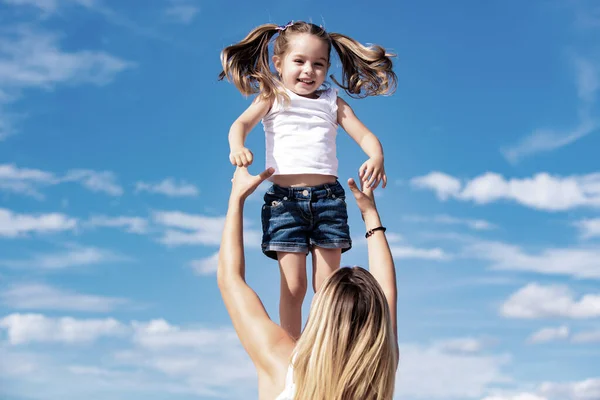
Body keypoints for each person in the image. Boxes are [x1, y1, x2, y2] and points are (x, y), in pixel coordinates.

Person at [219, 21, 397, 339]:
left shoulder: (331, 100)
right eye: (299, 62)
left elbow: (365, 134)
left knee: (327, 286)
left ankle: (320, 347)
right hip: (284, 203)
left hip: (328, 200)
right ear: (279, 63)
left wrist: (376, 155)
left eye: (318, 64)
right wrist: (238, 146)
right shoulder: (272, 95)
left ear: (327, 67)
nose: (308, 71)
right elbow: (240, 125)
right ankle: (292, 349)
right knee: (294, 285)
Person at [218, 166, 398, 400]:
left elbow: (230, 279)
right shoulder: (377, 377)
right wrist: (370, 214)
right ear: (376, 327)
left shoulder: (283, 367)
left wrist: (237, 198)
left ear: (322, 309)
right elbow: (386, 290)